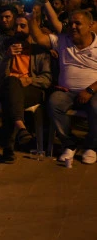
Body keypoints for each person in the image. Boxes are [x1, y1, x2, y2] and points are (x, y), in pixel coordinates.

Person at [28, 8, 97, 164]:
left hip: (93, 91)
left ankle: (91, 147)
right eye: (70, 23)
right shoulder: (62, 40)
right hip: (67, 92)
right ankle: (69, 144)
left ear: (90, 25)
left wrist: (90, 90)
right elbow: (39, 38)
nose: (72, 27)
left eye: (77, 23)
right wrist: (31, 19)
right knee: (54, 102)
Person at [0, 14, 52, 163]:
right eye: (16, 26)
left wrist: (30, 79)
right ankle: (20, 125)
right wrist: (7, 57)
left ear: (32, 27)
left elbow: (47, 79)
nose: (18, 29)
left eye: (23, 26)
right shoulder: (5, 46)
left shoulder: (40, 50)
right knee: (12, 84)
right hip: (5, 86)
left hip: (30, 88)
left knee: (12, 99)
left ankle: (9, 148)